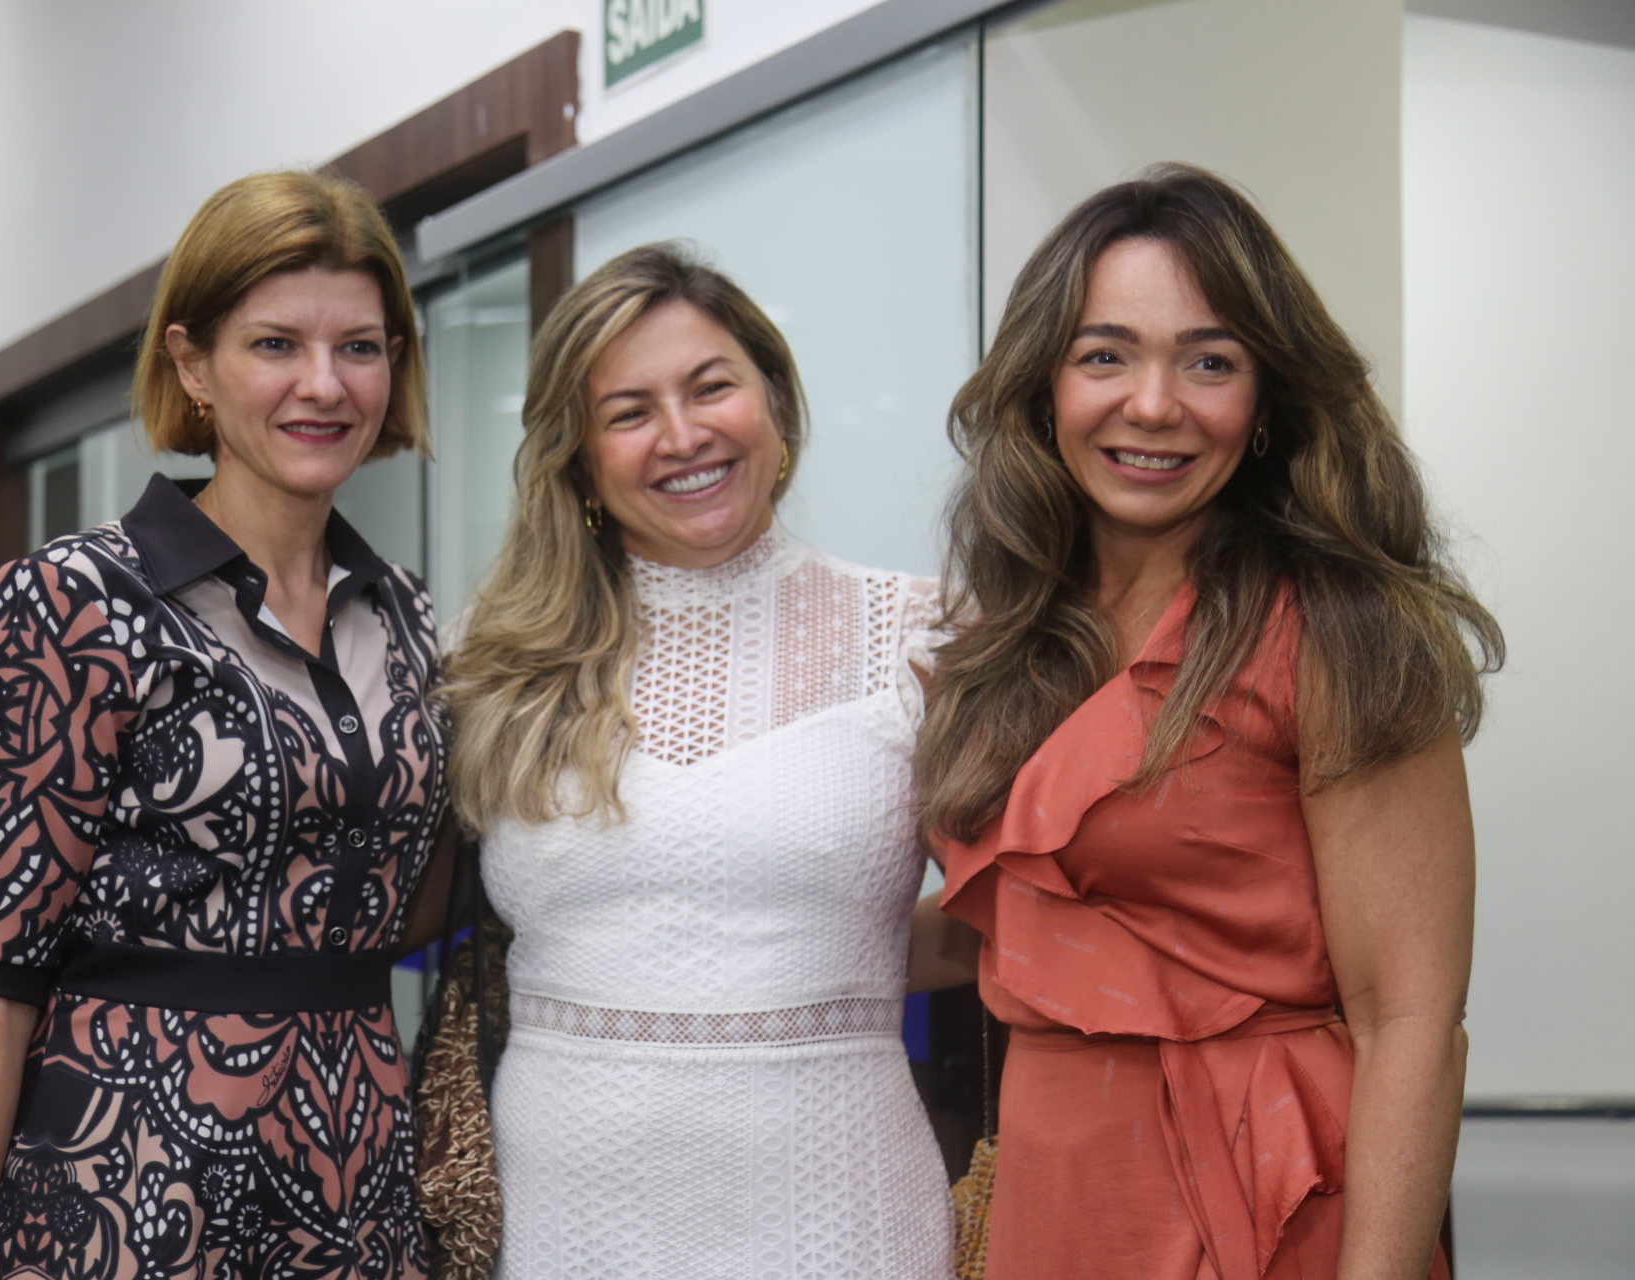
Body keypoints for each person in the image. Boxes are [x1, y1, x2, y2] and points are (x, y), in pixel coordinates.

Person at [919, 163, 1502, 1280]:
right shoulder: (1012, 638)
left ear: (1267, 400)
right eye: (1105, 355)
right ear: (1043, 387)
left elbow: (1411, 1022)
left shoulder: (1338, 630)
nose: (1153, 404)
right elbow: (1018, 929)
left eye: (1209, 361)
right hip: (1056, 1199)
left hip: (1263, 1208)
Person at [0, 170, 450, 1280]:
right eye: (275, 344)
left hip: (357, 1192)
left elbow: (416, 895)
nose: (324, 384)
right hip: (127, 1188)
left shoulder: (409, 616)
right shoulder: (70, 603)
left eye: (359, 346)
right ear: (192, 364)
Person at [439, 243, 957, 1278]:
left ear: (776, 401)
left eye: (711, 386)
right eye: (629, 412)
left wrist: (834, 960)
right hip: (569, 1225)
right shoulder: (490, 663)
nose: (682, 436)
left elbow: (1017, 920)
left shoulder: (922, 635)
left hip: (842, 1209)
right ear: (579, 457)